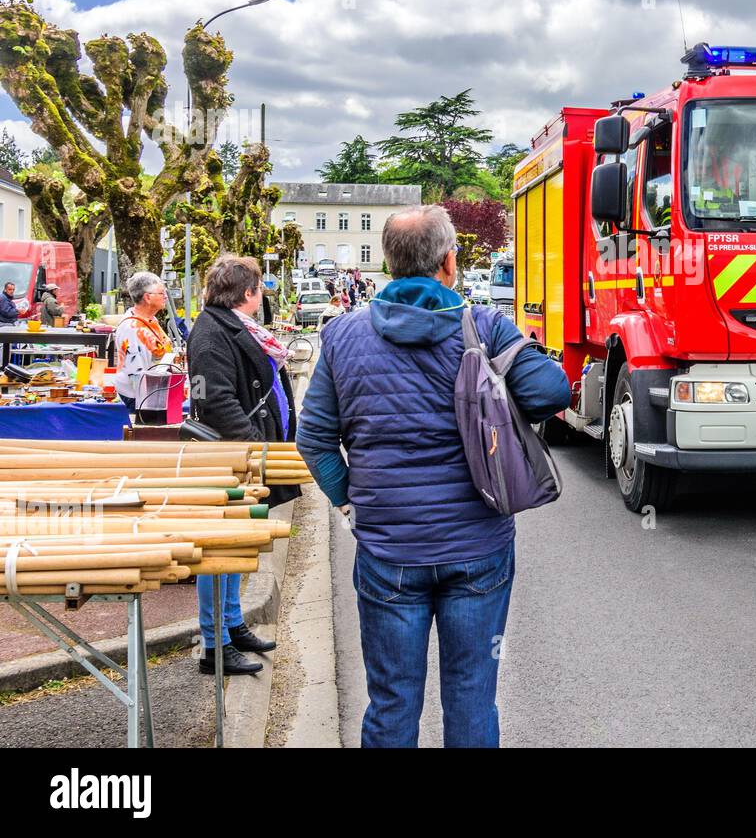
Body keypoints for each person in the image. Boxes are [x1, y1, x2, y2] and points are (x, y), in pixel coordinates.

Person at [296, 204, 570, 748]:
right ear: (449, 262)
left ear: (390, 264)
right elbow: (554, 392)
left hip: (389, 551)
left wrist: (350, 501)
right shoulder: (485, 327)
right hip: (478, 545)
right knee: (472, 692)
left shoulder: (343, 336)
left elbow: (315, 438)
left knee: (393, 699)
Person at [187, 255, 301, 676]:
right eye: (259, 290)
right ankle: (214, 644)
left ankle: (232, 626)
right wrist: (257, 450)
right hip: (233, 459)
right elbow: (216, 401)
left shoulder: (227, 324)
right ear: (248, 293)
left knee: (237, 545)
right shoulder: (213, 332)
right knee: (220, 550)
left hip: (245, 456)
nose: (262, 296)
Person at [113, 272, 173, 417]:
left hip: (155, 390)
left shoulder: (151, 320)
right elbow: (136, 374)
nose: (165, 296)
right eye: (161, 292)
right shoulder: (132, 327)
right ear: (147, 297)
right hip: (140, 397)